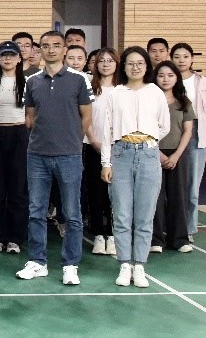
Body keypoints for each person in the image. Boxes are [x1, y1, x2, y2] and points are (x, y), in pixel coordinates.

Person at [16, 31, 93, 286]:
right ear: (40, 50)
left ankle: (70, 264)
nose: (51, 50)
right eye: (46, 46)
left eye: (56, 45)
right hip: (37, 155)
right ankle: (37, 262)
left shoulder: (79, 80)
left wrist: (71, 140)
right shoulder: (32, 82)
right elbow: (30, 117)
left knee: (72, 213)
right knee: (36, 211)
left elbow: (86, 116)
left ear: (64, 49)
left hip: (69, 155)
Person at [100, 46, 169, 288]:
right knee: (121, 215)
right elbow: (107, 130)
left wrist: (147, 139)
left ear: (147, 66)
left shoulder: (155, 92)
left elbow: (164, 126)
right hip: (121, 154)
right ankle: (124, 264)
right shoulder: (115, 93)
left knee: (144, 215)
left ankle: (139, 265)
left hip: (148, 155)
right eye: (130, 63)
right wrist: (106, 162)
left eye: (140, 63)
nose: (135, 67)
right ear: (124, 67)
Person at [0, 41, 27, 255]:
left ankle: (15, 238)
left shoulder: (28, 82)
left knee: (18, 190)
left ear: (19, 58)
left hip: (20, 134)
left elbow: (33, 114)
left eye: (12, 55)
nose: (8, 59)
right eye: (4, 55)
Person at [152, 61, 195, 254]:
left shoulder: (184, 102)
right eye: (161, 75)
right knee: (155, 197)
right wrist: (159, 154)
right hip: (153, 152)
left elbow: (187, 131)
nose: (165, 79)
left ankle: (179, 238)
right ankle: (155, 239)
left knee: (179, 196)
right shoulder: (150, 100)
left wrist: (176, 155)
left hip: (178, 154)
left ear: (177, 78)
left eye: (170, 75)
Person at [171, 43, 206, 241]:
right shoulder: (167, 79)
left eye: (185, 56)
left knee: (192, 187)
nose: (181, 60)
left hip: (195, 134)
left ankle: (188, 228)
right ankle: (169, 225)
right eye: (177, 56)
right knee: (171, 184)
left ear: (192, 59)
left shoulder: (202, 82)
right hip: (172, 132)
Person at [86, 48, 120, 257]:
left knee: (115, 194)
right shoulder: (89, 87)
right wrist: (93, 140)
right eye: (101, 61)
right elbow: (85, 116)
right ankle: (98, 234)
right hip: (93, 146)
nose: (106, 64)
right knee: (96, 192)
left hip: (118, 148)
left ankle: (113, 235)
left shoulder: (123, 89)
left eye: (110, 61)